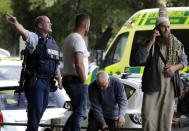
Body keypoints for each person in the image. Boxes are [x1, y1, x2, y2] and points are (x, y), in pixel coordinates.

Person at [6, 14, 63, 131]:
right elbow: (24, 32)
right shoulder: (35, 38)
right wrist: (16, 23)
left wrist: (59, 77)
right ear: (40, 25)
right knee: (35, 113)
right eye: (48, 22)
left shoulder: (52, 41)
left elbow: (55, 61)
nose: (51, 24)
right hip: (36, 82)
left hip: (47, 83)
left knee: (39, 112)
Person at [135, 8, 188, 131]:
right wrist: (152, 40)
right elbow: (139, 60)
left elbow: (184, 61)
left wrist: (174, 67)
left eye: (168, 27)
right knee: (148, 118)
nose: (167, 30)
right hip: (152, 87)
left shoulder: (176, 44)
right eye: (164, 27)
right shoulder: (149, 43)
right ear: (157, 28)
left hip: (168, 88)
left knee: (165, 120)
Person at [62, 13, 90, 131]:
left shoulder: (69, 38)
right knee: (80, 112)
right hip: (76, 81)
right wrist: (84, 81)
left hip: (69, 79)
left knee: (78, 111)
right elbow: (79, 63)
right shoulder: (78, 39)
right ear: (86, 25)